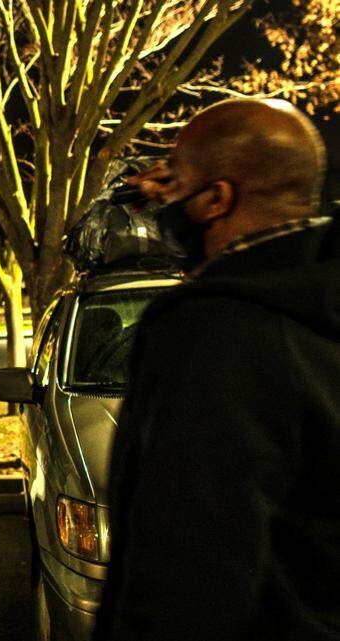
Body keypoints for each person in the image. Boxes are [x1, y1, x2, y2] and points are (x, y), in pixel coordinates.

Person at [94, 99, 339, 640]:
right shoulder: (320, 306)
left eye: (177, 181)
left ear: (216, 200)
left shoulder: (214, 332)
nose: (165, 198)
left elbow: (188, 571)